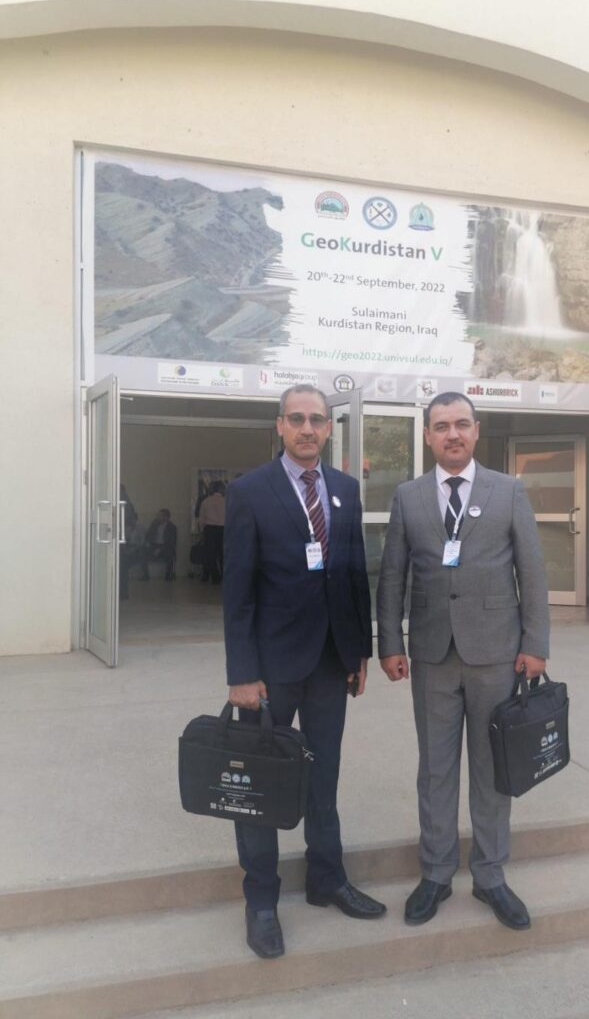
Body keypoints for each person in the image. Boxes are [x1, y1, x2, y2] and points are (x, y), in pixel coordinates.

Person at [223, 384, 385, 960]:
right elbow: (237, 591)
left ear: (329, 428)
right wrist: (242, 673)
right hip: (269, 670)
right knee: (262, 783)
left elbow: (354, 575)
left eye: (317, 419)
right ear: (280, 426)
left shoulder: (344, 489)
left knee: (323, 775)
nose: (308, 428)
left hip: (330, 664)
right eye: (297, 419)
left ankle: (327, 879)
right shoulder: (249, 492)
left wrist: (359, 651)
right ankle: (262, 901)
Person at [376, 391, 550, 930]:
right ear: (428, 436)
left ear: (476, 431)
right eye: (442, 426)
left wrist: (535, 644)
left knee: (493, 770)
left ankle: (491, 875)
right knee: (436, 768)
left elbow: (532, 572)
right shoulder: (408, 496)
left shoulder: (508, 490)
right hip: (431, 655)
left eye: (461, 424)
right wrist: (390, 643)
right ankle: (435, 873)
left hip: (498, 653)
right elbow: (393, 575)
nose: (452, 434)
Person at [199, 480, 226, 584]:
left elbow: (202, 519)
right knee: (223, 554)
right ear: (221, 489)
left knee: (211, 555)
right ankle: (225, 576)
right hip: (223, 529)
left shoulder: (206, 501)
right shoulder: (227, 501)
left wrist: (202, 532)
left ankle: (215, 577)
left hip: (209, 529)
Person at [141, 508, 177, 581]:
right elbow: (148, 535)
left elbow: (172, 542)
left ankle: (168, 575)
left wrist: (160, 549)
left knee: (170, 554)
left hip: (166, 546)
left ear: (166, 517)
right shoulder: (154, 524)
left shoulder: (172, 527)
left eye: (160, 515)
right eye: (158, 515)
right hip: (154, 545)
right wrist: (148, 543)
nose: (158, 517)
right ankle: (145, 575)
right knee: (142, 552)